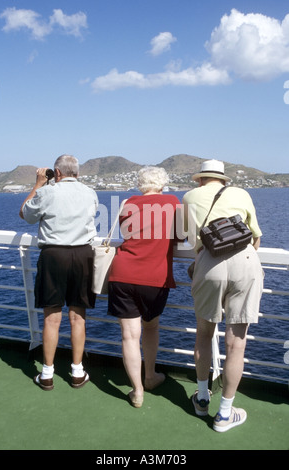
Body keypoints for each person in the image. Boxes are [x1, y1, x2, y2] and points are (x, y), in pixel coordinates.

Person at [183, 159, 263, 432]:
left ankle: (202, 398)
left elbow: (193, 241)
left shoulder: (189, 196)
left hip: (208, 264)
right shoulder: (242, 193)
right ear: (223, 179)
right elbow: (256, 237)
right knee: (236, 344)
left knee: (204, 334)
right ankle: (225, 414)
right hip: (245, 261)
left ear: (201, 179)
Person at [19, 154, 98, 390]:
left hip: (54, 256)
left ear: (57, 172)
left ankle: (46, 374)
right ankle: (77, 371)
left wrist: (38, 184)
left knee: (52, 318)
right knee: (78, 317)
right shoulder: (90, 193)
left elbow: (25, 214)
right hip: (83, 255)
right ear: (77, 173)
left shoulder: (47, 192)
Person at [108, 166, 183, 407]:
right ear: (162, 184)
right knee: (150, 328)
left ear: (140, 184)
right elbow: (181, 235)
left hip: (122, 273)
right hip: (155, 277)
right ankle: (150, 377)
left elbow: (126, 232)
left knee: (129, 336)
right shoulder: (172, 202)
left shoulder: (128, 203)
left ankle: (137, 391)